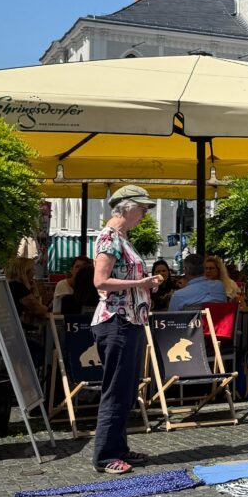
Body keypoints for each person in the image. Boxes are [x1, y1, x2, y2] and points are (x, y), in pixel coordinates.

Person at [90, 185, 162, 475]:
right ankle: (105, 456)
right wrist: (139, 284)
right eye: (142, 208)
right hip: (116, 321)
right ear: (126, 207)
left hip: (130, 320)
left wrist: (146, 284)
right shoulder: (109, 237)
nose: (144, 214)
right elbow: (100, 281)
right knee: (117, 389)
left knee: (127, 389)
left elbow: (123, 280)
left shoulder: (122, 239)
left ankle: (118, 448)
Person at [4, 256, 49, 327]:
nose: (34, 272)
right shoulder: (18, 287)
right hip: (12, 328)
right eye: (33, 269)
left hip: (7, 325)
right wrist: (35, 291)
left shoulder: (11, 284)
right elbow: (39, 310)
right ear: (25, 272)